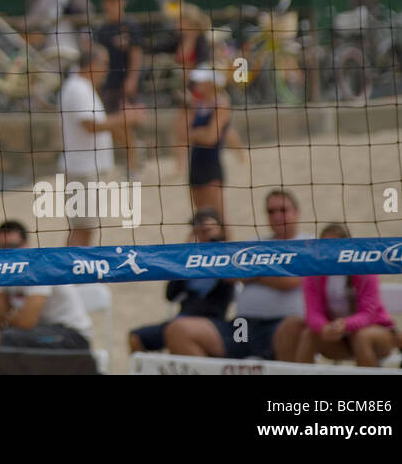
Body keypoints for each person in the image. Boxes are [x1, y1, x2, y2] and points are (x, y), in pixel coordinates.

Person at [164, 189, 311, 362]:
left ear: (297, 211)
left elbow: (290, 281)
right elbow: (227, 275)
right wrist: (270, 272)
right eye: (271, 211)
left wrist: (251, 272)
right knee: (178, 330)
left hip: (280, 326)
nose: (277, 216)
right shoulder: (255, 242)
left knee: (295, 328)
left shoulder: (308, 242)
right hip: (243, 328)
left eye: (283, 210)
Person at [128, 210, 233, 353]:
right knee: (135, 337)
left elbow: (229, 284)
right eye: (198, 232)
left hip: (210, 323)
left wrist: (217, 245)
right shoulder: (190, 262)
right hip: (180, 319)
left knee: (180, 333)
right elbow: (170, 295)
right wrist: (185, 256)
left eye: (207, 231)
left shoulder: (228, 259)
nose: (203, 237)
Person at [295, 223, 395, 367]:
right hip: (339, 338)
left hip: (376, 333)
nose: (329, 251)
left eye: (335, 246)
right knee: (308, 334)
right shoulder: (314, 274)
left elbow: (368, 314)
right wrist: (324, 327)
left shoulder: (364, 269)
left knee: (361, 337)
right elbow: (312, 312)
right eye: (325, 246)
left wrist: (345, 324)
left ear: (348, 248)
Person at [0, 221, 92, 351]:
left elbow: (26, 321)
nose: (7, 252)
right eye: (2, 247)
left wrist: (7, 319)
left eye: (12, 246)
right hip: (40, 331)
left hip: (72, 336)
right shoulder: (6, 269)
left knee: (10, 337)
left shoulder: (40, 266)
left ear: (26, 245)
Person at [58, 44, 126, 247]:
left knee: (86, 229)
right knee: (82, 229)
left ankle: (77, 275)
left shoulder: (84, 86)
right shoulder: (78, 88)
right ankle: (70, 276)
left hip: (88, 169)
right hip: (82, 169)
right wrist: (126, 118)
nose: (106, 69)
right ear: (92, 64)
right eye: (104, 64)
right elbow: (90, 126)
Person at [178, 67, 245, 227]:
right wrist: (200, 132)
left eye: (200, 81)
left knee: (219, 218)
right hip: (195, 162)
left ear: (210, 83)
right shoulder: (196, 104)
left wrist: (196, 133)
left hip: (211, 164)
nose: (195, 84)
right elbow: (181, 134)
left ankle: (227, 249)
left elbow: (211, 138)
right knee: (201, 218)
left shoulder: (221, 103)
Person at [93, 0, 146, 171]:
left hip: (127, 82)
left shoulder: (130, 26)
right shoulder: (102, 29)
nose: (113, 4)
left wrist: (132, 78)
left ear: (123, 2)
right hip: (109, 83)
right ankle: (135, 151)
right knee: (112, 123)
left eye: (116, 0)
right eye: (109, 0)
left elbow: (136, 53)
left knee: (126, 122)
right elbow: (97, 57)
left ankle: (133, 165)